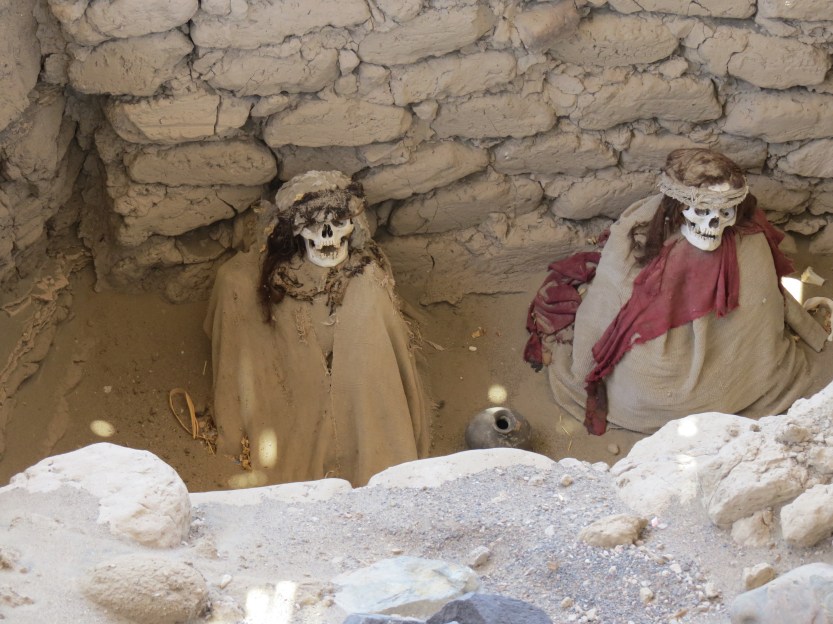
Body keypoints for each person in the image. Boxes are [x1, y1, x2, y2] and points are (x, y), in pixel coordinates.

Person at [525, 148, 831, 435]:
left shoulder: (748, 245)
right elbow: (604, 311)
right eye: (701, 211)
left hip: (736, 369)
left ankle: (728, 389)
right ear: (678, 207)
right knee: (650, 376)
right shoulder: (636, 238)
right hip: (652, 379)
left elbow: (760, 314)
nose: (713, 224)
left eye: (725, 213)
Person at [204, 170, 431, 485]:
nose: (327, 236)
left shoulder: (366, 281)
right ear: (294, 232)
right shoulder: (251, 278)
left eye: (338, 225)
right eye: (313, 226)